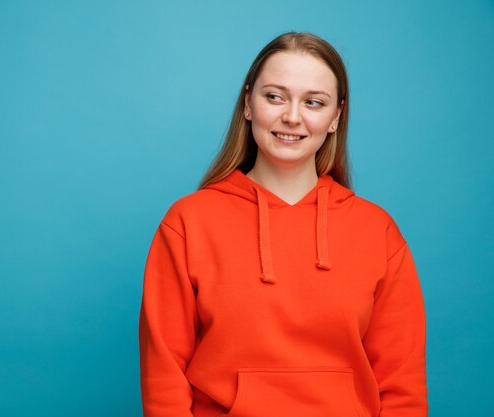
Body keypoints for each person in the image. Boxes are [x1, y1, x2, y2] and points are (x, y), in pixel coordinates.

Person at [138, 31, 427, 417]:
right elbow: (164, 378)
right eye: (274, 96)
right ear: (247, 104)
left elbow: (401, 384)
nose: (292, 116)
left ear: (335, 117)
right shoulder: (189, 222)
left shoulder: (377, 231)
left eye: (313, 102)